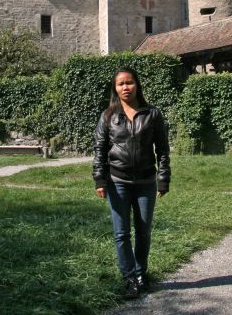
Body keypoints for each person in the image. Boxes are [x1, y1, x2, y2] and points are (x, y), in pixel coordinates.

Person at [93, 67, 170, 299]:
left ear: (137, 85)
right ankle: (129, 279)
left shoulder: (153, 114)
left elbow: (163, 150)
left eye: (130, 83)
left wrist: (163, 179)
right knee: (122, 233)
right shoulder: (108, 116)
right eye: (121, 84)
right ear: (115, 89)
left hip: (146, 181)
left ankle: (140, 274)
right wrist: (99, 179)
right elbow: (99, 149)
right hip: (117, 181)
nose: (126, 87)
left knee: (144, 232)